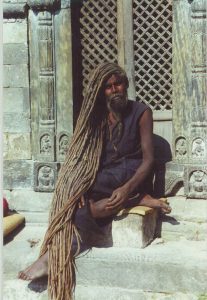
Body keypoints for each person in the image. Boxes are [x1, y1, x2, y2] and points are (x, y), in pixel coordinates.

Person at [18, 63, 171, 299]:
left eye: (118, 83)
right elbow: (84, 158)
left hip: (132, 173)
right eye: (108, 87)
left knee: (99, 187)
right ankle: (64, 248)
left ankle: (134, 197)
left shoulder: (142, 112)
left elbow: (149, 160)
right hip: (105, 178)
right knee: (76, 205)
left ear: (126, 84)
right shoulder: (98, 118)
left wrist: (126, 188)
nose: (115, 89)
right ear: (102, 91)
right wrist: (78, 186)